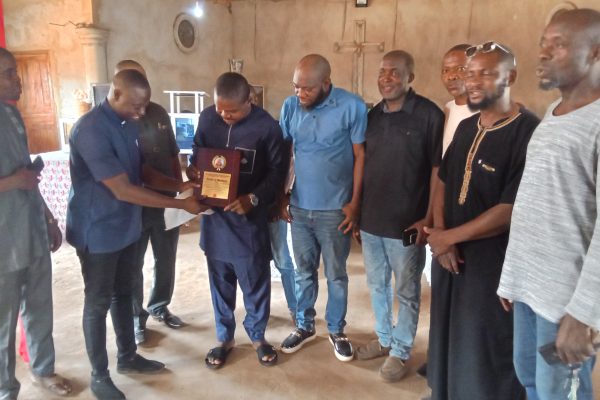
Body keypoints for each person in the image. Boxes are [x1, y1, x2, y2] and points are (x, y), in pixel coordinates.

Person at [67, 69, 203, 400]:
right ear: (115, 95)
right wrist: (180, 204)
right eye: (137, 106)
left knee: (124, 293)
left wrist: (179, 185)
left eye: (145, 106)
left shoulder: (127, 125)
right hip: (97, 231)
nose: (142, 113)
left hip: (125, 227)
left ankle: (128, 357)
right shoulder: (90, 130)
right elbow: (123, 188)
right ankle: (100, 376)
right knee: (97, 303)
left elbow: (140, 171)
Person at [424, 42, 539, 399]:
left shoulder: (527, 131)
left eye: (485, 73)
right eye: (469, 73)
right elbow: (443, 180)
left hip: (492, 261)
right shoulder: (467, 126)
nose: (472, 82)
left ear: (511, 76)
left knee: (485, 343)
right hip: (451, 256)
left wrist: (449, 237)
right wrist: (441, 234)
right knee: (447, 333)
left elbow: (509, 208)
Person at [498, 9, 600, 400]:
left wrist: (585, 313)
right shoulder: (554, 115)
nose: (542, 54)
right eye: (543, 44)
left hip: (565, 303)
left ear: (594, 52)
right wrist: (513, 276)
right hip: (530, 289)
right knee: (530, 381)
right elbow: (534, 200)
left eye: (557, 45)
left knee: (558, 393)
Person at [353, 50, 444, 382]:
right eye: (382, 72)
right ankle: (384, 339)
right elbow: (362, 164)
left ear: (410, 78)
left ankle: (401, 350)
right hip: (372, 220)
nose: (386, 77)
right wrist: (358, 209)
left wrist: (429, 217)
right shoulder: (372, 116)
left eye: (394, 72)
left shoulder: (429, 115)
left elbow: (438, 169)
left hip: (408, 224)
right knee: (377, 284)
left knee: (406, 289)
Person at [187, 72, 286, 369]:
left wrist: (253, 199)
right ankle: (224, 338)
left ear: (250, 100)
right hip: (215, 219)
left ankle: (257, 336)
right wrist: (194, 172)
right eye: (220, 109)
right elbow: (198, 155)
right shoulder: (207, 119)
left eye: (232, 110)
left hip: (248, 220)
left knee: (255, 280)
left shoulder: (267, 127)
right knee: (220, 282)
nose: (224, 115)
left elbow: (277, 174)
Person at [279, 54, 367, 362]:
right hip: (299, 209)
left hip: (334, 210)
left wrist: (354, 204)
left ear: (326, 83)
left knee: (336, 274)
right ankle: (304, 326)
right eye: (296, 87)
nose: (300, 94)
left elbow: (360, 157)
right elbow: (285, 153)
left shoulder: (351, 106)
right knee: (303, 271)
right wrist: (282, 196)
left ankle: (336, 329)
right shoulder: (290, 107)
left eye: (307, 89)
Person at [0, 46, 72, 400]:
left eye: (15, 71)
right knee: (3, 322)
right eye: (8, 74)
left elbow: (29, 176)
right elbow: (17, 178)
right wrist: (12, 182)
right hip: (4, 241)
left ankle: (43, 370)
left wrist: (48, 218)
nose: (19, 80)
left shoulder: (12, 117)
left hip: (31, 229)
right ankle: (5, 388)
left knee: (40, 305)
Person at [114, 60, 185, 345]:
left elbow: (171, 154)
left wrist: (179, 191)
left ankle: (160, 306)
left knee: (165, 257)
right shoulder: (115, 120)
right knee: (134, 264)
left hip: (165, 199)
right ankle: (136, 318)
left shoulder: (157, 112)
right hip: (135, 205)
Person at [418, 43, 477, 383]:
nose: (452, 76)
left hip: (473, 223)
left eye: (461, 68)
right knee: (441, 297)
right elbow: (439, 170)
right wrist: (436, 227)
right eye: (446, 69)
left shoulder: (496, 115)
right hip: (445, 219)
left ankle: (460, 369)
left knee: (468, 305)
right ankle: (439, 361)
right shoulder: (446, 111)